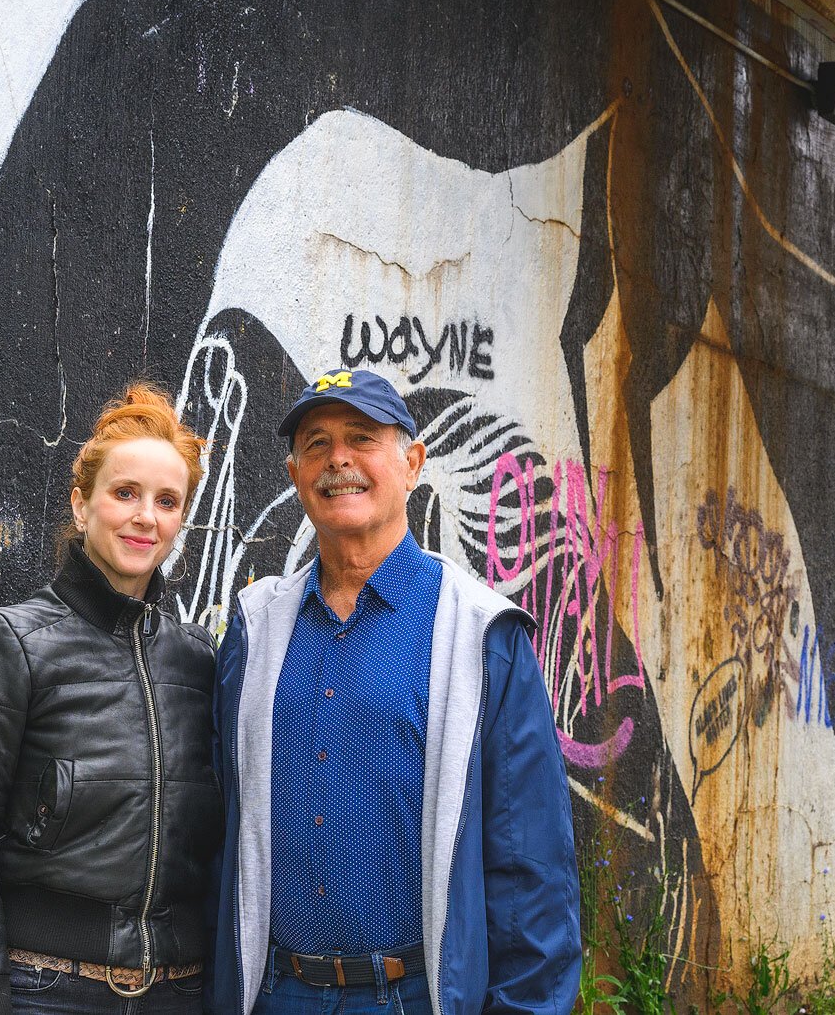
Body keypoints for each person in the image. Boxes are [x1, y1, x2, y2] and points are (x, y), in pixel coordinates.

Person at [208, 368, 580, 1015]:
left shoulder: (481, 635)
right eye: (316, 444)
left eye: (361, 437)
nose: (338, 460)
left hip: (411, 998)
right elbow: (219, 834)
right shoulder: (256, 629)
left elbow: (532, 871)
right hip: (273, 995)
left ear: (411, 464)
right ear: (295, 473)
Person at [0, 382, 224, 1015]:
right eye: (124, 493)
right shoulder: (11, 643)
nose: (146, 516)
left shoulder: (199, 661)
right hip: (47, 990)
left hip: (180, 993)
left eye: (167, 501)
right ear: (81, 505)